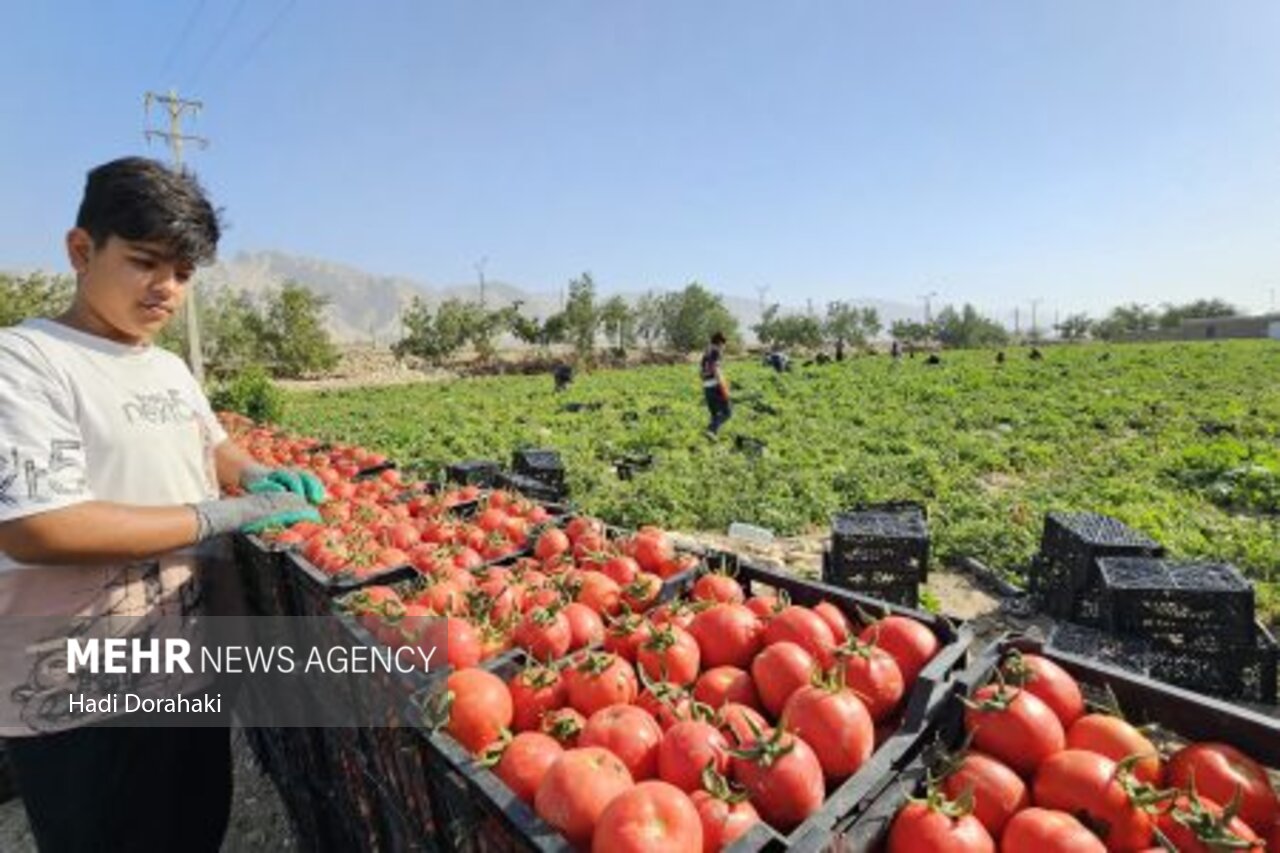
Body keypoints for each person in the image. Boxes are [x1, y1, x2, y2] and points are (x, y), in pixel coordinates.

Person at [0, 157, 324, 852]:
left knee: (192, 829)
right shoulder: (25, 362)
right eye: (146, 262)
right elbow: (38, 525)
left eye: (183, 273)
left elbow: (210, 444)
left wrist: (255, 470)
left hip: (186, 668)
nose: (167, 289)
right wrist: (218, 516)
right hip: (77, 697)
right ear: (81, 250)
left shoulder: (167, 366)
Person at [700, 331, 731, 439]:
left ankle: (711, 436)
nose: (724, 347)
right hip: (716, 386)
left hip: (706, 386)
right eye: (724, 345)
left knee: (714, 415)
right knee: (727, 413)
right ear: (719, 343)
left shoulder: (705, 353)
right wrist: (723, 386)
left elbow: (701, 372)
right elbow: (716, 369)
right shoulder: (716, 352)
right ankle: (711, 430)